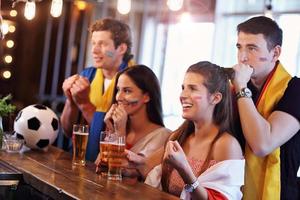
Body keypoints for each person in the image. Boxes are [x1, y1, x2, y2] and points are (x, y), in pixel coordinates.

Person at [144, 61, 244, 199]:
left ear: (215, 98)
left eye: (192, 88)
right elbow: (146, 170)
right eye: (183, 88)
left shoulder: (226, 145)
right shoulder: (179, 136)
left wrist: (184, 169)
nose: (183, 95)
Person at [232, 16, 300, 200]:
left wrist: (241, 89)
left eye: (252, 48)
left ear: (275, 53)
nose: (242, 57)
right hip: (234, 190)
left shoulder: (295, 89)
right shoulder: (236, 86)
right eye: (239, 47)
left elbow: (263, 144)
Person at [60, 18, 134, 161]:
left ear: (121, 49)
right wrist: (70, 100)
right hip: (77, 157)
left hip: (110, 162)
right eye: (94, 43)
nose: (94, 50)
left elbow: (113, 132)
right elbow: (68, 131)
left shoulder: (133, 81)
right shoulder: (87, 75)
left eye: (103, 44)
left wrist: (84, 104)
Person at [95, 65, 171, 177]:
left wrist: (120, 132)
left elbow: (123, 172)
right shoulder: (117, 126)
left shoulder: (163, 135)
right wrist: (112, 130)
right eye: (118, 90)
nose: (118, 97)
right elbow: (98, 167)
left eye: (127, 91)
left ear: (146, 97)